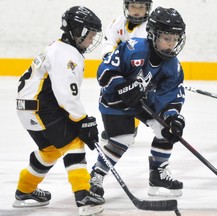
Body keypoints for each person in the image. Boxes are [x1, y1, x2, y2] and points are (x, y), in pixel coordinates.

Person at [14, 6, 105, 215]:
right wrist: (82, 120)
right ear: (76, 30)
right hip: (41, 106)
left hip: (28, 107)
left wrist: (79, 119)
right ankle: (84, 197)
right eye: (89, 35)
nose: (91, 40)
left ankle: (25, 191)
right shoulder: (66, 53)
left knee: (50, 150)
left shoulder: (59, 48)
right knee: (74, 142)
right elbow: (66, 94)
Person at [90, 6, 186, 198]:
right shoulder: (133, 48)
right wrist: (122, 87)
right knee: (123, 139)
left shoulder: (173, 66)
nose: (171, 44)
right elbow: (104, 72)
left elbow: (169, 97)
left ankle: (157, 175)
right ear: (152, 35)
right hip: (115, 100)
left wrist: (172, 117)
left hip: (143, 99)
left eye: (175, 39)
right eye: (167, 38)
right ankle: (96, 175)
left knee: (166, 129)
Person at [99, 0, 153, 142]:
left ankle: (132, 125)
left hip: (140, 71)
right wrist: (114, 67)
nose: (137, 10)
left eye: (141, 7)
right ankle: (115, 124)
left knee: (137, 98)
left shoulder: (150, 27)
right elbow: (109, 44)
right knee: (110, 93)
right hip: (119, 68)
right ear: (127, 7)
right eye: (133, 6)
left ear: (147, 8)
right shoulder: (118, 22)